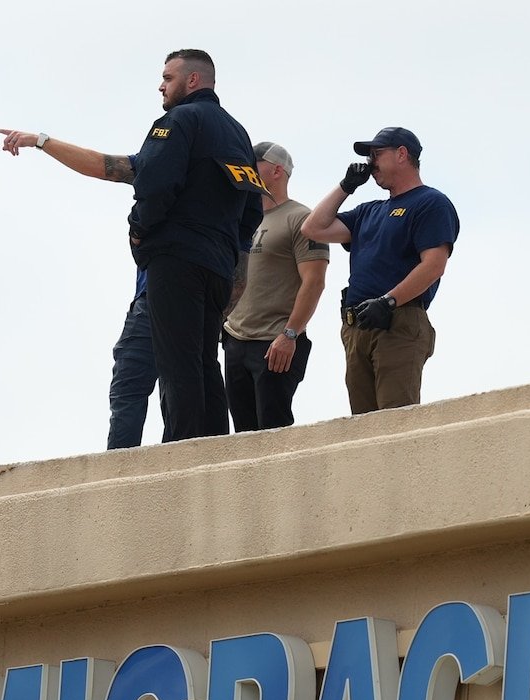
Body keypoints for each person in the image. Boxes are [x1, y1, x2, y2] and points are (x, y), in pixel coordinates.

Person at [0, 127, 159, 449]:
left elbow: (103, 166)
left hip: (162, 298)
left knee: (143, 384)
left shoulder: (170, 164)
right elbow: (101, 165)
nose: (161, 85)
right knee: (180, 384)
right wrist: (40, 141)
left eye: (168, 77)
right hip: (187, 297)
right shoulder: (168, 167)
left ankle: (123, 475)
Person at [129, 49, 264, 442]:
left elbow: (153, 183)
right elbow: (252, 209)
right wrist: (229, 250)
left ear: (192, 81)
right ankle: (212, 450)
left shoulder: (178, 120)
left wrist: (139, 230)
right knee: (206, 362)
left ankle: (181, 453)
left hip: (176, 259)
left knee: (177, 363)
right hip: (218, 266)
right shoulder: (238, 134)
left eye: (168, 77)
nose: (161, 85)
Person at [302, 127, 460, 415]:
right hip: (358, 326)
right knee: (364, 426)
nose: (371, 163)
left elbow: (434, 265)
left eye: (377, 154)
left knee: (394, 420)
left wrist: (388, 301)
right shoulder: (368, 211)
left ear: (402, 154)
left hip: (397, 321)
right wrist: (346, 186)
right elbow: (313, 228)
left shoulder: (430, 203)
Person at [220, 141, 329, 431]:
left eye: (254, 162)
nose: (247, 167)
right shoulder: (242, 220)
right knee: (242, 435)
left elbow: (315, 281)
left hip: (275, 343)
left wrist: (290, 334)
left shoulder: (301, 218)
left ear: (276, 170)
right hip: (236, 339)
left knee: (273, 433)